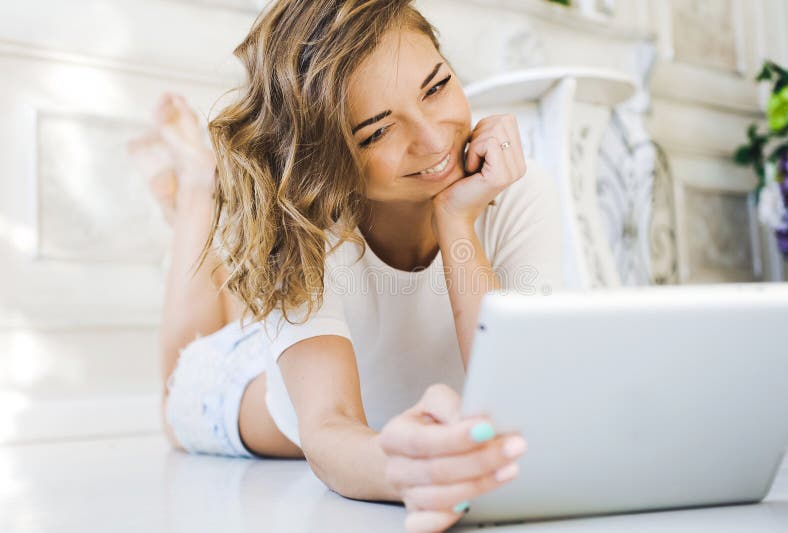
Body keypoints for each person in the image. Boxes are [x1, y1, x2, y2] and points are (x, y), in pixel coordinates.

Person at [128, 1, 562, 531]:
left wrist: (456, 222)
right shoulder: (305, 225)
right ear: (324, 153)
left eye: (437, 86)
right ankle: (198, 189)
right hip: (276, 397)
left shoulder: (515, 189)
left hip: (344, 338)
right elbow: (329, 427)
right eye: (377, 132)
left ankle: (218, 219)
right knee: (179, 390)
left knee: (258, 301)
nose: (433, 141)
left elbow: (524, 391)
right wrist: (405, 472)